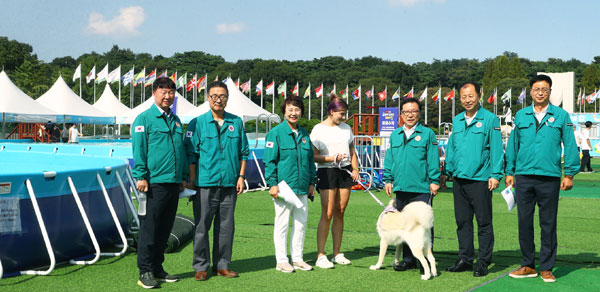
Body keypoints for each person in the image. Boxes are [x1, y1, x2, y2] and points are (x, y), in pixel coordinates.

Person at [505, 74, 579, 283]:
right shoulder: (521, 116)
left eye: (544, 89)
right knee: (524, 222)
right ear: (530, 92)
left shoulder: (561, 116)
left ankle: (547, 267)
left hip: (549, 178)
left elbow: (570, 144)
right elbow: (513, 145)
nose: (540, 92)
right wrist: (509, 171)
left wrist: (570, 173)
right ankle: (528, 265)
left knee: (548, 224)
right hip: (524, 177)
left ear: (549, 92)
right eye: (536, 89)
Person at [188, 81, 249, 281]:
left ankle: (222, 265)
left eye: (222, 96)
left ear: (227, 98)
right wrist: (192, 180)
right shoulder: (197, 123)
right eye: (214, 95)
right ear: (207, 97)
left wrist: (240, 177)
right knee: (202, 227)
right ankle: (201, 266)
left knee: (226, 227)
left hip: (230, 183)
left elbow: (243, 152)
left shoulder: (236, 122)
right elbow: (191, 155)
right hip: (205, 183)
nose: (218, 99)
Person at [131, 77, 187, 289]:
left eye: (171, 92)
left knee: (164, 229)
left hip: (173, 183)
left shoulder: (176, 120)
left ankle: (157, 268)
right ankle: (144, 271)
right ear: (154, 93)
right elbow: (139, 151)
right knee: (149, 229)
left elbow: (179, 150)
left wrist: (182, 177)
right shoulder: (144, 119)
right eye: (163, 92)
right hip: (153, 184)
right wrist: (141, 176)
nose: (168, 96)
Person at [445, 82, 504, 277]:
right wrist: (449, 170)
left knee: (484, 222)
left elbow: (496, 149)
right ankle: (465, 258)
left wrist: (495, 175)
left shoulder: (490, 119)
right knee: (462, 222)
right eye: (463, 97)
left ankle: (483, 261)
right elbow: (452, 147)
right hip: (459, 179)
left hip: (481, 179)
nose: (467, 100)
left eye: (471, 96)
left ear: (480, 95)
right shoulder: (458, 120)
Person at [383, 97, 440, 272]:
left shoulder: (427, 134)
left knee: (423, 225)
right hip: (401, 187)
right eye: (406, 112)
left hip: (422, 188)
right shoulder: (395, 134)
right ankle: (409, 259)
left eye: (414, 111)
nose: (410, 115)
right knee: (405, 225)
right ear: (401, 114)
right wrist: (388, 179)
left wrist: (435, 180)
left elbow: (432, 158)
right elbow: (390, 158)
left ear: (419, 113)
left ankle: (428, 261)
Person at [263, 96, 316, 273]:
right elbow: (269, 161)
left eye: (297, 109)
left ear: (301, 112)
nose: (294, 113)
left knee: (301, 223)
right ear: (284, 112)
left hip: (302, 187)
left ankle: (298, 258)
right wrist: (272, 184)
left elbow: (310, 161)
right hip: (283, 188)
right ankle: (281, 260)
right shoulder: (275, 134)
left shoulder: (304, 134)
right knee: (282, 224)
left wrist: (311, 183)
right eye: (290, 110)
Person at [310, 94, 359, 269]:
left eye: (345, 114)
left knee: (340, 211)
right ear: (331, 112)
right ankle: (321, 255)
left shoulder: (346, 128)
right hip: (327, 171)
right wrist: (331, 158)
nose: (344, 117)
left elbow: (352, 151)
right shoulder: (318, 129)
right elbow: (313, 155)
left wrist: (355, 169)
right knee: (328, 212)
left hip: (345, 172)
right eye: (341, 114)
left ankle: (337, 253)